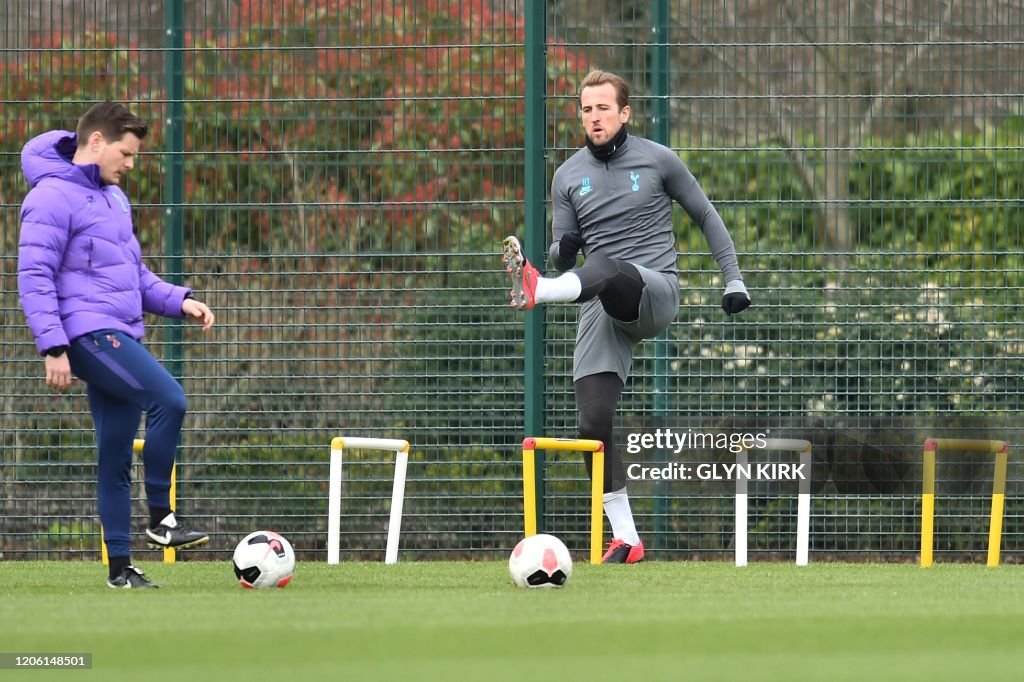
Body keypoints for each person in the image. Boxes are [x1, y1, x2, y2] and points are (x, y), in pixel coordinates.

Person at [503, 70, 750, 563]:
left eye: (602, 108)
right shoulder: (567, 175)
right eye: (585, 109)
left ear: (624, 113)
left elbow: (706, 215)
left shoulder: (658, 159)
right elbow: (562, 254)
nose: (593, 117)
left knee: (607, 266)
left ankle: (539, 292)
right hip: (595, 297)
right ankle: (628, 539)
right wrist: (561, 251)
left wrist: (734, 279)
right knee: (593, 423)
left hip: (653, 288)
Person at [17, 102, 215, 588]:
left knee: (114, 454)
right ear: (98, 142)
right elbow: (34, 276)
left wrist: (179, 301)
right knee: (169, 398)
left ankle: (121, 570)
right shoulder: (51, 197)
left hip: (116, 333)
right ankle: (161, 519)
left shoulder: (114, 200)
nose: (130, 164)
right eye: (126, 154)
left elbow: (134, 277)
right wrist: (53, 348)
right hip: (86, 335)